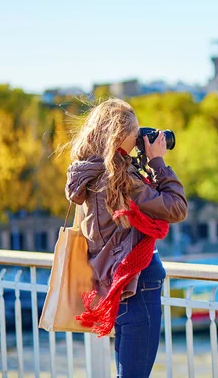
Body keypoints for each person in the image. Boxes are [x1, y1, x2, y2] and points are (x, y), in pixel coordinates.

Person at [64, 98, 187, 377]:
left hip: (116, 284)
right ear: (119, 136)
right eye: (135, 134)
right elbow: (177, 207)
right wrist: (157, 161)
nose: (139, 139)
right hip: (137, 283)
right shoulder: (119, 179)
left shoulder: (88, 173)